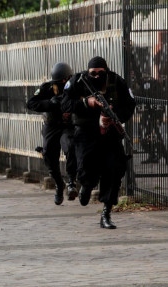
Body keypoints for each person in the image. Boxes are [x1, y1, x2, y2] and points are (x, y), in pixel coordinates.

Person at [61, 56, 136, 229]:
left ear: (106, 71)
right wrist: (86, 103)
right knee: (87, 168)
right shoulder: (78, 81)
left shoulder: (117, 81)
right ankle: (86, 186)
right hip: (86, 133)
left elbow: (130, 104)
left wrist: (114, 115)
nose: (96, 77)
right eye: (93, 73)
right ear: (88, 72)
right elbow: (65, 103)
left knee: (114, 170)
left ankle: (106, 213)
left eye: (100, 73)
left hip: (110, 134)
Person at [27, 62, 78, 205]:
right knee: (49, 153)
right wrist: (50, 103)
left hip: (68, 126)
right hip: (52, 125)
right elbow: (31, 103)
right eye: (60, 82)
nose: (63, 83)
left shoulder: (75, 86)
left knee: (70, 146)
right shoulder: (47, 88)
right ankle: (58, 184)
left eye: (65, 80)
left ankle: (72, 182)